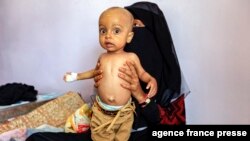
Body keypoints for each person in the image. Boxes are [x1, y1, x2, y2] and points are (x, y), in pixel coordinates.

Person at [26, 2, 190, 141]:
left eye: (137, 26)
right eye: (104, 30)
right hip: (105, 125)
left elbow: (171, 128)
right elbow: (105, 97)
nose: (110, 36)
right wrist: (98, 83)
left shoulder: (169, 82)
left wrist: (140, 94)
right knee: (37, 138)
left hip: (142, 134)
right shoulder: (109, 58)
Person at [63, 7, 157, 141]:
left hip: (124, 113)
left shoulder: (131, 57)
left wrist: (151, 80)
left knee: (122, 138)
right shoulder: (102, 57)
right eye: (103, 30)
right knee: (99, 137)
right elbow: (94, 73)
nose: (108, 35)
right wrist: (76, 76)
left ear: (129, 37)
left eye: (116, 31)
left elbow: (142, 73)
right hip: (101, 112)